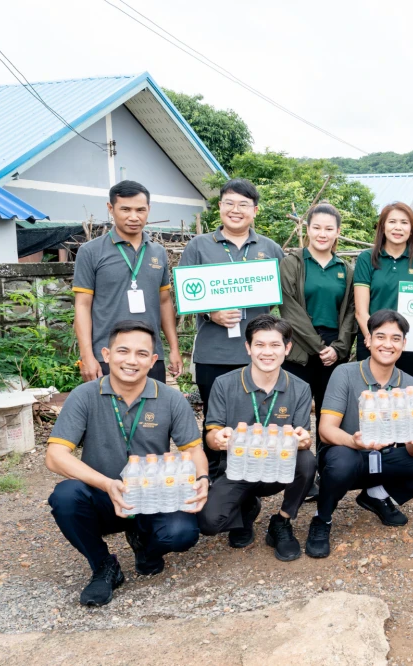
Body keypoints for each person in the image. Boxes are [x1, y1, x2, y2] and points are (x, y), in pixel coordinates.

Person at [46, 321, 208, 607]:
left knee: (182, 534)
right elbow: (55, 456)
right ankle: (104, 565)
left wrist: (203, 479)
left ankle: (145, 545)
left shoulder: (170, 398)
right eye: (123, 351)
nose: (132, 360)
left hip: (152, 494)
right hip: (104, 494)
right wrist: (108, 484)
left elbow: (193, 450)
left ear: (153, 360)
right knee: (66, 497)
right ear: (106, 355)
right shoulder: (84, 396)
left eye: (142, 354)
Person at [308, 310, 413, 558]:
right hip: (346, 456)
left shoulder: (410, 384)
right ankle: (322, 519)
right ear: (368, 340)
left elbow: (412, 451)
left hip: (384, 458)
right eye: (381, 337)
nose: (388, 344)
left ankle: (378, 495)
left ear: (404, 344)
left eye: (396, 339)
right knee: (342, 462)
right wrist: (354, 441)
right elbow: (325, 431)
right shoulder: (344, 373)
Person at [179, 178, 285, 469]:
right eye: (229, 203)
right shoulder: (199, 246)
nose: (235, 210)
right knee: (215, 421)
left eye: (243, 205)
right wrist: (209, 313)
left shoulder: (270, 249)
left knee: (256, 416)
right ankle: (213, 475)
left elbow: (286, 298)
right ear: (220, 207)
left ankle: (256, 473)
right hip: (214, 353)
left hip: (258, 355)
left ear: (255, 210)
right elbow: (184, 294)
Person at [197, 315, 316, 562]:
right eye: (259, 345)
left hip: (277, 467)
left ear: (287, 348)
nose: (267, 352)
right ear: (248, 348)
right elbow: (211, 435)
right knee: (209, 522)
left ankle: (281, 522)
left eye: (275, 345)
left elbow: (303, 436)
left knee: (306, 461)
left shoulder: (300, 387)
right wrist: (218, 438)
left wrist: (304, 439)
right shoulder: (224, 383)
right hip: (238, 467)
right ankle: (245, 508)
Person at [73, 181, 182, 384]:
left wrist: (173, 349)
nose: (134, 217)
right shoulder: (91, 251)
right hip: (108, 355)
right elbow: (82, 305)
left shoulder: (157, 252)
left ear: (149, 209)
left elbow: (164, 302)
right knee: (109, 414)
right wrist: (87, 355)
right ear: (110, 209)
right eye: (125, 209)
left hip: (150, 355)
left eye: (140, 209)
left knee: (151, 413)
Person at [279, 203, 357, 441]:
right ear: (308, 229)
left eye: (328, 229)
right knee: (294, 415)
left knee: (330, 415)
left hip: (334, 350)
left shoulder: (345, 268)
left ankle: (329, 472)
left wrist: (339, 348)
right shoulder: (291, 263)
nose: (322, 234)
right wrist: (319, 346)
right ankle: (296, 474)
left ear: (337, 232)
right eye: (317, 227)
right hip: (300, 347)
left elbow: (351, 312)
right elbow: (289, 308)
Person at [353, 202, 413, 380]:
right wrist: (371, 336)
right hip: (372, 339)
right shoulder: (367, 258)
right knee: (369, 397)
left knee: (407, 396)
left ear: (411, 229)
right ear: (382, 226)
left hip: (409, 342)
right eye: (392, 222)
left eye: (404, 223)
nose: (398, 227)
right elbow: (361, 310)